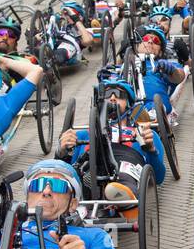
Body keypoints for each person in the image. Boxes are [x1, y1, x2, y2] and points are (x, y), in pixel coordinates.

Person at [59, 78, 166, 214]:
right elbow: (65, 168)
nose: (113, 98)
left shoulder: (143, 133)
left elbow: (159, 177)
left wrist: (151, 150)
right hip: (87, 168)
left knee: (123, 173)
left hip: (125, 165)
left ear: (128, 104)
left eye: (119, 94)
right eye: (107, 94)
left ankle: (123, 196)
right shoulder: (82, 135)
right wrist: (61, 151)